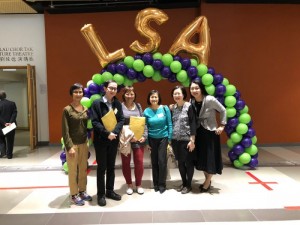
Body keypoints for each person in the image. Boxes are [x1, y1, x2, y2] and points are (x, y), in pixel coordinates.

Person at [91, 80, 124, 207]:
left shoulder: (117, 104)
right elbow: (95, 122)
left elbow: (121, 119)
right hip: (101, 141)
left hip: (113, 140)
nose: (113, 90)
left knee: (111, 167)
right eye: (110, 88)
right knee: (101, 168)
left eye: (115, 89)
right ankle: (101, 194)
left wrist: (114, 132)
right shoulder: (97, 103)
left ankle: (110, 191)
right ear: (105, 88)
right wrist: (107, 133)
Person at [189, 80, 226, 192]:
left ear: (201, 89)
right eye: (192, 88)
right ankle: (207, 180)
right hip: (199, 132)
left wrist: (222, 125)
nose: (194, 90)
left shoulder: (210, 99)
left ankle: (206, 182)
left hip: (210, 132)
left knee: (210, 158)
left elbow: (223, 110)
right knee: (202, 158)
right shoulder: (191, 101)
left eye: (197, 88)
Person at [62, 83, 92, 206]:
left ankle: (82, 191)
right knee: (73, 171)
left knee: (83, 169)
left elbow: (88, 127)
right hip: (73, 145)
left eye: (80, 92)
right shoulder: (67, 110)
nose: (78, 94)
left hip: (84, 143)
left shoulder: (85, 109)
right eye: (76, 92)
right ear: (72, 94)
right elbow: (65, 130)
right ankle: (74, 194)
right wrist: (69, 147)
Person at [143, 90, 172, 194]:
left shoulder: (165, 109)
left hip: (163, 138)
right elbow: (144, 127)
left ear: (159, 98)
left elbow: (169, 123)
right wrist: (146, 142)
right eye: (152, 97)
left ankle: (162, 184)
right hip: (151, 139)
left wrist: (169, 138)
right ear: (149, 99)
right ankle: (155, 183)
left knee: (162, 161)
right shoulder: (146, 111)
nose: (154, 99)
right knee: (154, 162)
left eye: (155, 97)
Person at [120, 86, 147, 195]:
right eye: (127, 94)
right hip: (126, 139)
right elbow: (117, 123)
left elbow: (143, 122)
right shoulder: (119, 106)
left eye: (132, 94)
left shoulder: (139, 106)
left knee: (139, 162)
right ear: (124, 95)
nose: (130, 96)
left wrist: (144, 135)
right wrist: (129, 136)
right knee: (126, 163)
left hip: (138, 138)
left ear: (135, 95)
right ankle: (129, 185)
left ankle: (139, 184)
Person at [170, 86, 196, 194]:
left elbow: (193, 123)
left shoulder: (189, 106)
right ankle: (184, 183)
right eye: (175, 94)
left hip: (187, 140)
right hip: (176, 140)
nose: (176, 96)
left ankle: (189, 185)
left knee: (188, 163)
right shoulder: (173, 108)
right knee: (180, 162)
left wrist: (192, 140)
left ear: (183, 94)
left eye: (178, 93)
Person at [0, 90, 17, 159]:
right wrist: (10, 122)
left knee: (1, 139)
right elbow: (14, 113)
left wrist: (4, 123)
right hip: (11, 125)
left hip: (1, 125)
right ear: (5, 96)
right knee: (10, 140)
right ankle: (9, 155)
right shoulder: (12, 103)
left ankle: (3, 153)